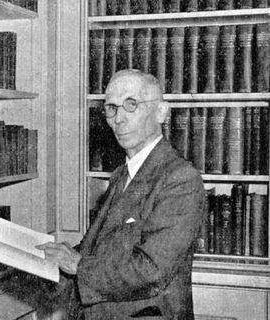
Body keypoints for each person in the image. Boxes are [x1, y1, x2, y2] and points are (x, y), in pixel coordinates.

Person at [37, 69, 205, 319]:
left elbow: (152, 270)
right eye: (111, 108)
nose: (119, 119)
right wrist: (46, 260)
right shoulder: (121, 175)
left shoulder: (181, 178)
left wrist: (77, 265)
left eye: (131, 105)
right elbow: (98, 248)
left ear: (161, 112)